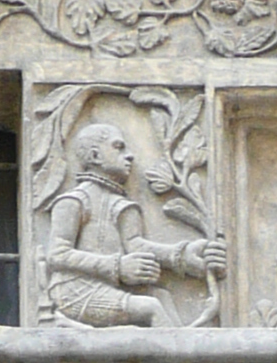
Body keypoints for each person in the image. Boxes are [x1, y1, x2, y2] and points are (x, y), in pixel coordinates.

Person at [44, 119, 225, 329]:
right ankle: (178, 358)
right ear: (95, 156)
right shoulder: (74, 201)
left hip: (106, 287)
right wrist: (118, 266)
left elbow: (135, 244)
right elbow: (57, 254)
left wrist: (182, 256)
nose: (129, 155)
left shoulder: (120, 204)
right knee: (152, 308)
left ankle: (182, 346)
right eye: (118, 147)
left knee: (162, 296)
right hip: (75, 291)